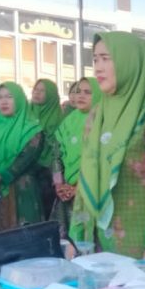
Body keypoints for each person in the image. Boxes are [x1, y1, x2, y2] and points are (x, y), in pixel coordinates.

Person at [73, 32, 145, 264]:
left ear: (130, 61)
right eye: (95, 59)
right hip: (96, 237)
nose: (98, 67)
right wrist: (77, 234)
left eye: (106, 58)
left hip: (139, 243)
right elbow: (87, 175)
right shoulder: (98, 113)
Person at [0, 83, 44, 232]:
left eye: (9, 97)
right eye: (0, 97)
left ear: (19, 99)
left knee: (25, 238)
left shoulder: (32, 130)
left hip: (22, 192)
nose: (4, 102)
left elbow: (26, 159)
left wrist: (1, 176)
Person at [51, 77, 97, 235]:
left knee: (87, 239)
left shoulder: (102, 122)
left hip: (92, 191)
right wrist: (59, 185)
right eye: (77, 92)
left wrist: (78, 187)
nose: (80, 96)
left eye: (87, 92)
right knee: (67, 240)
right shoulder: (67, 122)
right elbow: (56, 154)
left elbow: (101, 160)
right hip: (66, 192)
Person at [30, 78, 63, 218]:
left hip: (47, 171)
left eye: (42, 91)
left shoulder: (58, 119)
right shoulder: (26, 114)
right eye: (35, 89)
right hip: (26, 169)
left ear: (51, 95)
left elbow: (57, 148)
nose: (37, 93)